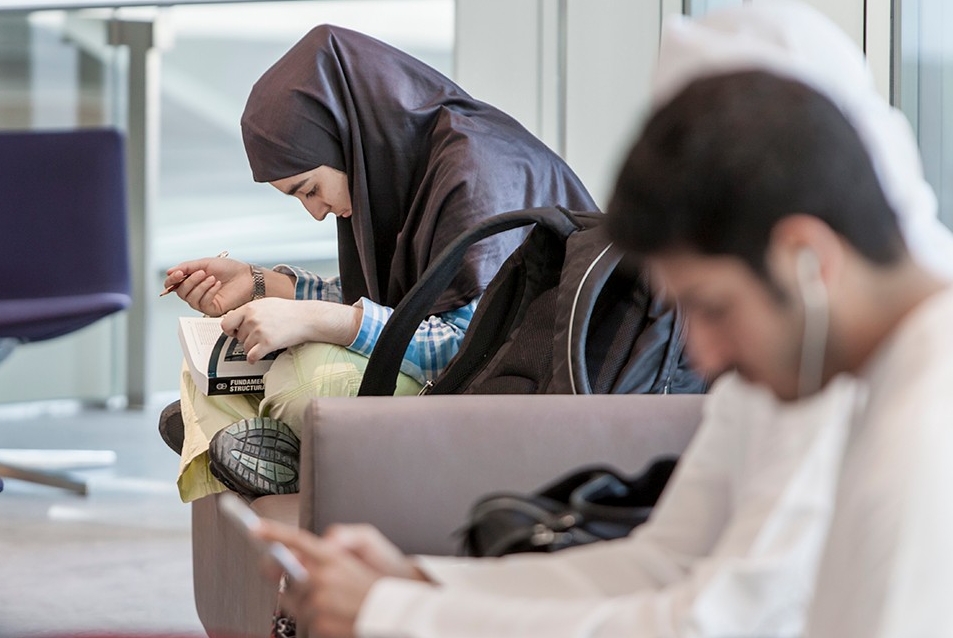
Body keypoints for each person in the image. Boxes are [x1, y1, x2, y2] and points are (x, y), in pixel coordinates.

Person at [248, 3, 953, 637]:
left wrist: (399, 614)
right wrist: (420, 581)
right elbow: (664, 560)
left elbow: (717, 619)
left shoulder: (921, 412)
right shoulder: (802, 365)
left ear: (805, 254)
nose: (701, 356)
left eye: (710, 307)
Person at [162, 24, 597, 503]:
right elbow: (405, 298)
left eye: (309, 188)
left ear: (346, 137)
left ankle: (248, 442)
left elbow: (463, 347)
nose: (315, 210)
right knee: (210, 360)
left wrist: (319, 321)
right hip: (460, 373)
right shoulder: (401, 160)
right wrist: (261, 284)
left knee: (304, 375)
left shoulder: (475, 177)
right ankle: (259, 446)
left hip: (508, 390)